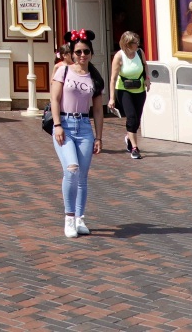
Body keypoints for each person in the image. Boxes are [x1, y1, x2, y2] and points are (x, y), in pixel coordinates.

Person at [50, 28, 105, 237]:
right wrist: (57, 125)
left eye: (87, 52)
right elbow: (54, 99)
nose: (83, 56)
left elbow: (98, 110)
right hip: (64, 123)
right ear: (72, 53)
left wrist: (98, 136)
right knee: (71, 169)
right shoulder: (63, 71)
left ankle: (80, 218)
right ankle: (69, 218)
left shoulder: (95, 77)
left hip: (84, 126)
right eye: (79, 52)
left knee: (82, 175)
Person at [107, 31, 150, 160]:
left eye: (137, 42)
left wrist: (147, 79)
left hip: (139, 88)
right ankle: (135, 148)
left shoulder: (139, 52)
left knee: (137, 119)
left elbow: (145, 65)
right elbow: (113, 79)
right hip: (124, 89)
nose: (137, 44)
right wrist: (111, 98)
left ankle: (129, 139)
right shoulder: (119, 56)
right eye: (134, 43)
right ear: (127, 44)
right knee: (131, 117)